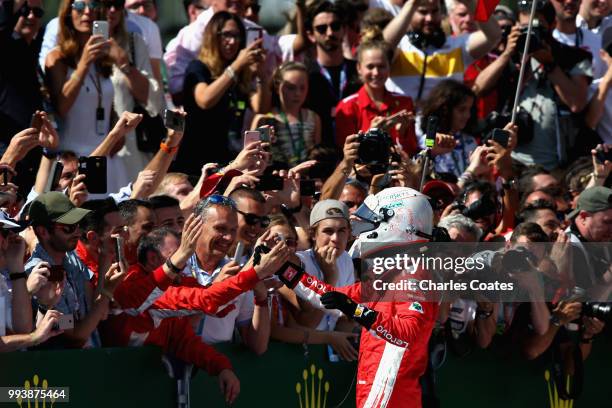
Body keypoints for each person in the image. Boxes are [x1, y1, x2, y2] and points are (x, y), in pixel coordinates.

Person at [287, 187, 439, 408]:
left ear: (395, 224)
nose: (359, 231)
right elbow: (332, 297)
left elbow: (408, 335)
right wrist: (283, 271)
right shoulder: (390, 272)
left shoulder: (412, 273)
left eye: (371, 222)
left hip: (392, 393)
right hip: (377, 386)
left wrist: (356, 310)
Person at [174, 11, 269, 176]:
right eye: (227, 35)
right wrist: (237, 65)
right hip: (196, 162)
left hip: (228, 161)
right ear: (213, 36)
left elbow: (261, 107)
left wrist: (261, 74)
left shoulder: (238, 74)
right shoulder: (198, 67)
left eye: (238, 36)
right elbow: (205, 100)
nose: (232, 42)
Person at [25, 192, 125, 348]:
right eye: (69, 227)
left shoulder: (72, 259)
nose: (78, 232)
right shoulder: (39, 272)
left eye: (78, 225)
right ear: (43, 232)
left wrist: (105, 258)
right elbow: (75, 335)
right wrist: (106, 291)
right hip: (60, 365)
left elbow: (98, 312)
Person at [382, 0, 501, 101]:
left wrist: (469, 2)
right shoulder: (399, 46)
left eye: (434, 11)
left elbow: (494, 35)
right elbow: (383, 46)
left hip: (443, 128)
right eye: (423, 12)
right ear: (411, 13)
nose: (429, 18)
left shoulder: (457, 46)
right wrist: (412, 3)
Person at [44, 0, 115, 157]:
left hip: (106, 156)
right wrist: (84, 63)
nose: (88, 12)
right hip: (72, 158)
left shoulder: (103, 57)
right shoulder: (57, 58)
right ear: (68, 13)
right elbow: (61, 108)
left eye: (94, 5)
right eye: (80, 6)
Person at [105, 0, 163, 192]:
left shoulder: (133, 42)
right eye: (105, 4)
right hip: (86, 147)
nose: (112, 9)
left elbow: (153, 101)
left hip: (128, 153)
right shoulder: (72, 46)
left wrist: (124, 63)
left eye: (118, 4)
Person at [335, 36, 418, 156]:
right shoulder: (347, 107)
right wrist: (370, 134)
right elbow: (346, 157)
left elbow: (411, 153)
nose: (376, 73)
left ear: (389, 67)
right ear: (359, 68)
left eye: (381, 66)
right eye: (370, 66)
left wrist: (402, 133)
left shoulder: (404, 103)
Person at [303, 1, 362, 146]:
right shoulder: (305, 76)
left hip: (357, 152)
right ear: (311, 35)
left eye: (335, 26)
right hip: (319, 156)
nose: (330, 33)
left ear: (343, 29)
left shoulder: (360, 71)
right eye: (322, 29)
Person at [0, 0, 45, 190]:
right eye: (25, 11)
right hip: (6, 152)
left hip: (32, 156)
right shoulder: (4, 47)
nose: (31, 17)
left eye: (37, 12)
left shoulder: (36, 49)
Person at [294, 200, 356, 331]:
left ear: (349, 233)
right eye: (328, 231)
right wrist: (330, 279)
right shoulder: (299, 262)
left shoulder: (345, 258)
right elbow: (309, 323)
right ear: (313, 234)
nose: (335, 238)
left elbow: (346, 316)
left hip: (333, 343)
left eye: (341, 231)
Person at [251, 62, 321, 169]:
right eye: (291, 88)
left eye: (302, 88)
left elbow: (317, 155)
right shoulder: (265, 119)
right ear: (278, 87)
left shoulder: (313, 118)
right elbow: (253, 158)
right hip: (275, 179)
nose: (298, 93)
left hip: (306, 180)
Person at [417, 80, 477, 178]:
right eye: (462, 110)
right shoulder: (429, 141)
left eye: (469, 109)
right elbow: (419, 172)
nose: (468, 115)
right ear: (445, 110)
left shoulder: (470, 141)